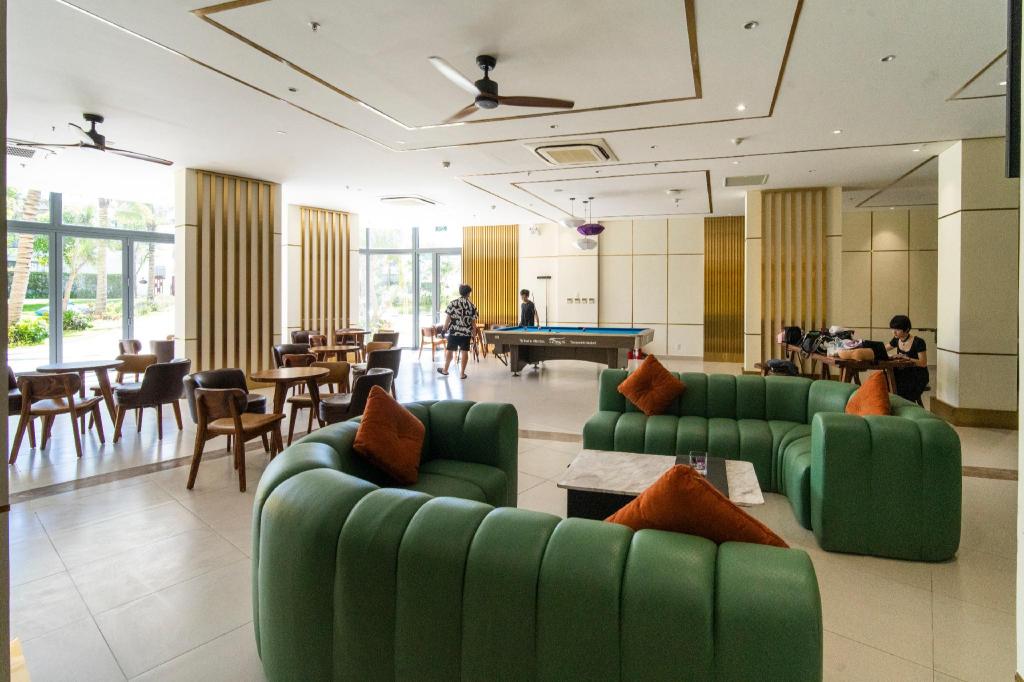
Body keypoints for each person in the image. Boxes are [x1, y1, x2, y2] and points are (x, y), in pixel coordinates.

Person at [438, 284, 478, 380]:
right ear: (468, 293)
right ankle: (462, 374)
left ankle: (445, 370)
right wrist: (474, 335)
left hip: (454, 332)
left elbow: (448, 319)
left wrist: (444, 329)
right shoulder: (472, 306)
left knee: (450, 350)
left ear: (460, 292)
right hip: (466, 333)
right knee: (464, 352)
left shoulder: (453, 303)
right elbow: (473, 323)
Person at [888, 314, 929, 404]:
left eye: (897, 329)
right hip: (903, 372)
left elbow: (923, 363)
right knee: (885, 378)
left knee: (899, 384)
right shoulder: (896, 339)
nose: (894, 332)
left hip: (917, 375)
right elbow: (883, 349)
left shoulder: (918, 342)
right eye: (893, 329)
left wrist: (906, 358)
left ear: (906, 329)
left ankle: (903, 405)